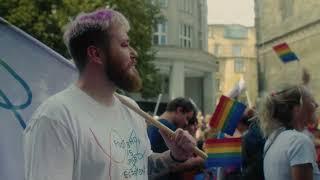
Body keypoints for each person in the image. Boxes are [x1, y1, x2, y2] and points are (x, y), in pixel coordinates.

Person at [24, 8, 197, 180]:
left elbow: (139, 167)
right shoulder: (56, 118)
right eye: (124, 44)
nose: (134, 53)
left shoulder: (132, 110)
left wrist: (174, 156)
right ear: (96, 54)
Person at [259, 85, 320, 180]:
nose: (316, 105)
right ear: (297, 109)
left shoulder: (272, 139)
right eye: (311, 101)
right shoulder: (298, 141)